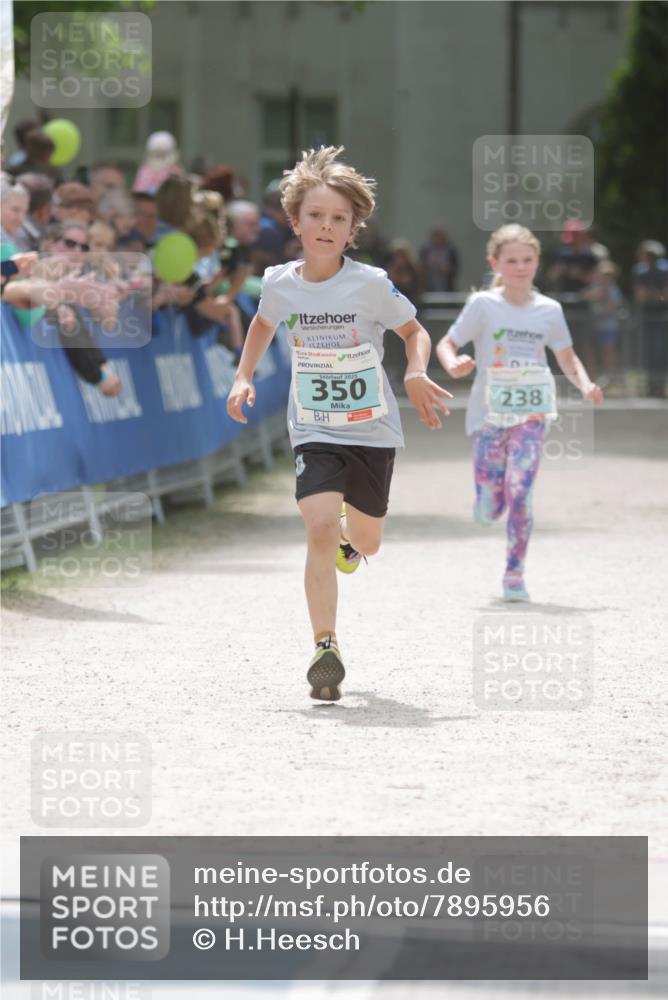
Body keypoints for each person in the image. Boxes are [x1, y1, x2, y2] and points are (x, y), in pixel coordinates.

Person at [227, 146, 451, 701]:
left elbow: (413, 332)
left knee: (365, 540)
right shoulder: (279, 282)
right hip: (315, 426)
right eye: (316, 216)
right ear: (295, 221)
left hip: (371, 429)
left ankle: (357, 541)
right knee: (319, 527)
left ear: (353, 229)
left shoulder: (371, 282)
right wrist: (243, 376)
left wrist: (418, 372)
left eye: (339, 219)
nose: (326, 227)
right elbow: (260, 324)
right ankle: (325, 645)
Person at [436, 223, 603, 602]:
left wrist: (586, 384)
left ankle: (514, 573)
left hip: (532, 414)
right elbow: (448, 342)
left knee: (521, 492)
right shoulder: (483, 305)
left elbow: (566, 356)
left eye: (528, 259)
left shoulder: (550, 310)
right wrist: (452, 362)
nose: (520, 267)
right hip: (487, 416)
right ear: (496, 262)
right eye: (511, 260)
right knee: (493, 504)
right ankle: (486, 498)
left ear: (538, 262)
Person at [419, 226, 459, 292]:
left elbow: (456, 268)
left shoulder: (451, 250)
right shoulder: (426, 250)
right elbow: (420, 266)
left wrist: (448, 269)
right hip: (429, 286)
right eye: (437, 236)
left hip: (447, 287)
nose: (439, 239)